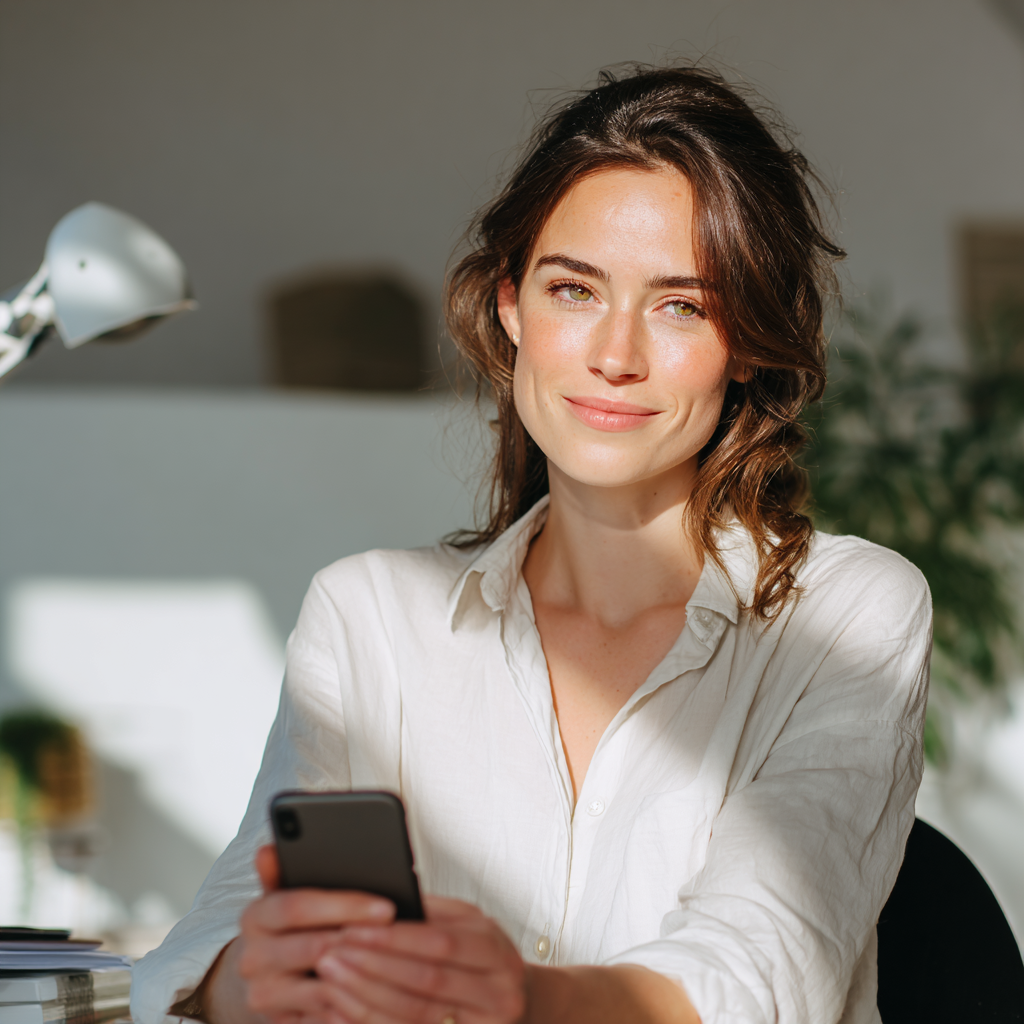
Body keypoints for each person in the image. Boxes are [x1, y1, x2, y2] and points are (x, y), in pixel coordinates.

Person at [131, 64, 931, 1024]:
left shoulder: (847, 615)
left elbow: (765, 965)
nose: (615, 356)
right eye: (573, 289)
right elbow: (206, 941)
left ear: (749, 342)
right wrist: (243, 983)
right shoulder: (372, 618)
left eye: (684, 305)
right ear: (511, 306)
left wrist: (519, 997)